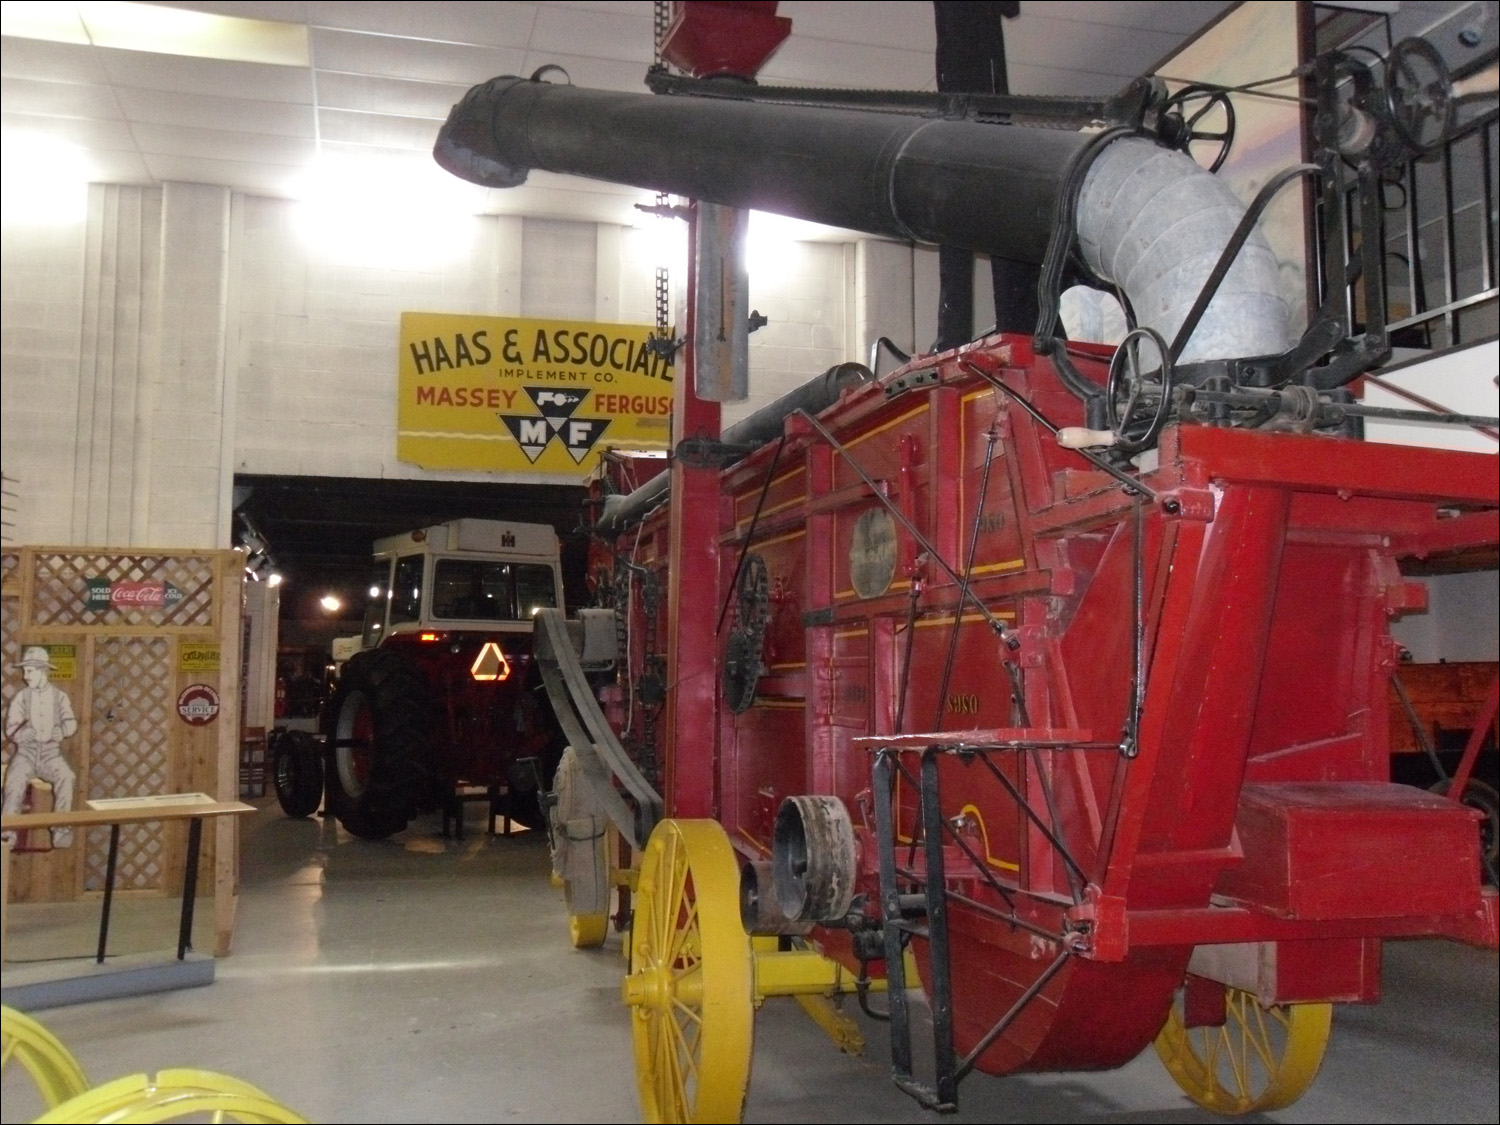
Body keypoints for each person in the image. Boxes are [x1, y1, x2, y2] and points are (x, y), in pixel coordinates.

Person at [3, 647, 79, 848]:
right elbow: (10, 728)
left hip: (50, 754)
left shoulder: (59, 697)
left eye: (30, 671)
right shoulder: (21, 697)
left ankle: (61, 829)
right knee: (14, 781)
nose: (26, 677)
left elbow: (71, 723)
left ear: (42, 671)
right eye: (25, 672)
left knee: (67, 777)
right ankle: (7, 832)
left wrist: (62, 731)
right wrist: (20, 735)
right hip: (26, 754)